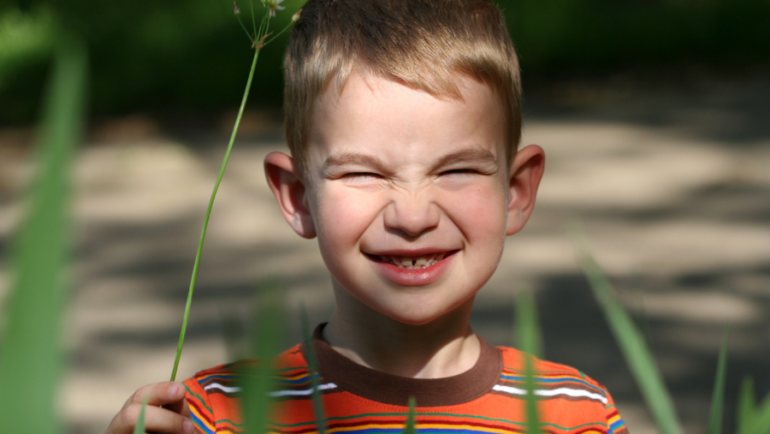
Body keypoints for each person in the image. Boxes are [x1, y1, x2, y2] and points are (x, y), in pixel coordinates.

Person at [106, 0, 629, 433]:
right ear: (298, 196)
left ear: (514, 191)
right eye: (364, 175)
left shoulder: (574, 415)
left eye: (458, 170)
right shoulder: (217, 416)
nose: (412, 215)